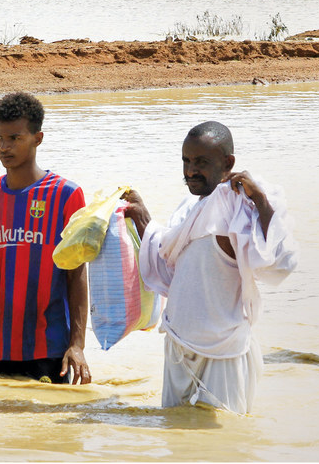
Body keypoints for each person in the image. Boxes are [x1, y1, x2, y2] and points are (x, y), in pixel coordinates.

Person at [123, 121, 298, 414]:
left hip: (224, 351)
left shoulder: (241, 208)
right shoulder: (189, 208)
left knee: (223, 444)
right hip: (178, 345)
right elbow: (170, 263)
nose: (190, 171)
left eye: (201, 162)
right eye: (186, 161)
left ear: (228, 162)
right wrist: (142, 216)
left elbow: (282, 262)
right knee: (176, 437)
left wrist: (261, 201)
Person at [0, 92, 91, 385]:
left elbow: (76, 274)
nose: (4, 147)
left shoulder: (66, 195)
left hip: (50, 346)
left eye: (15, 138)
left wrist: (77, 345)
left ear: (38, 138)